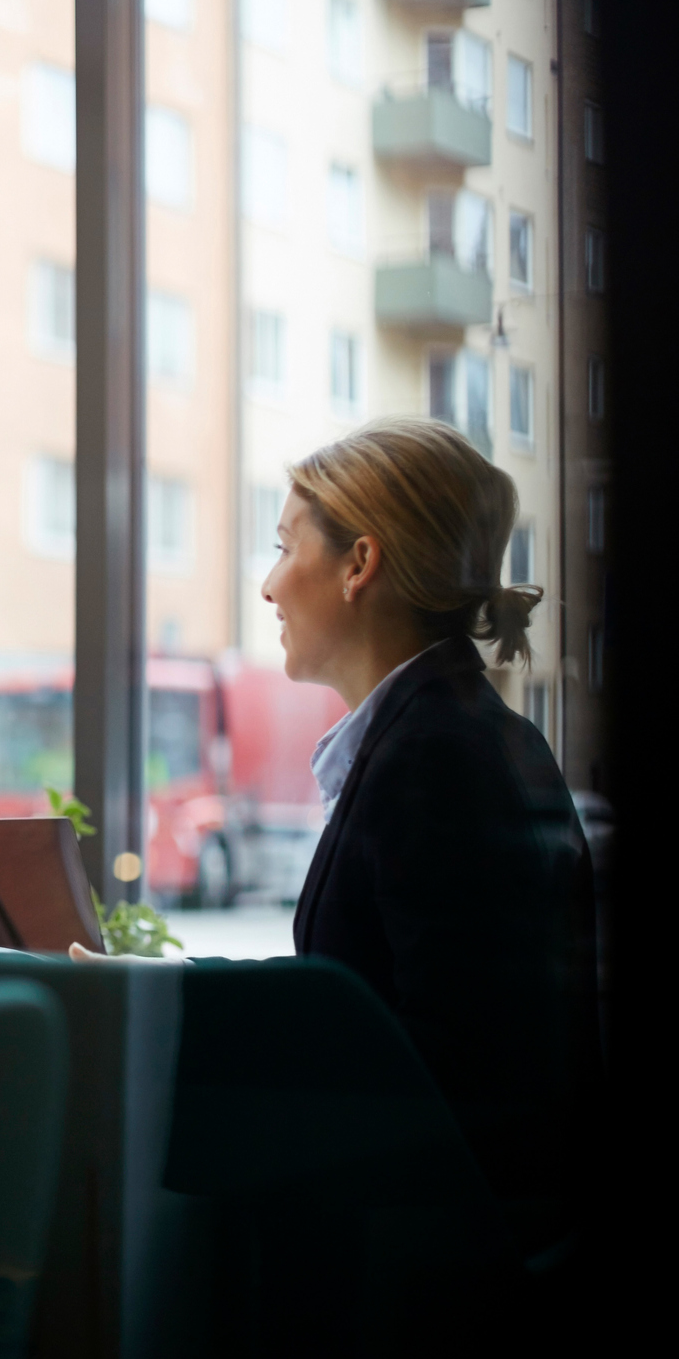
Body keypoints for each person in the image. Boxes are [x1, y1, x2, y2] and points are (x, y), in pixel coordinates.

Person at [258, 415, 593, 1229]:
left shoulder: (433, 754)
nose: (267, 585)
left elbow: (449, 1062)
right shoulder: (447, 731)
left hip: (435, 1262)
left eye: (283, 546)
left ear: (358, 564)